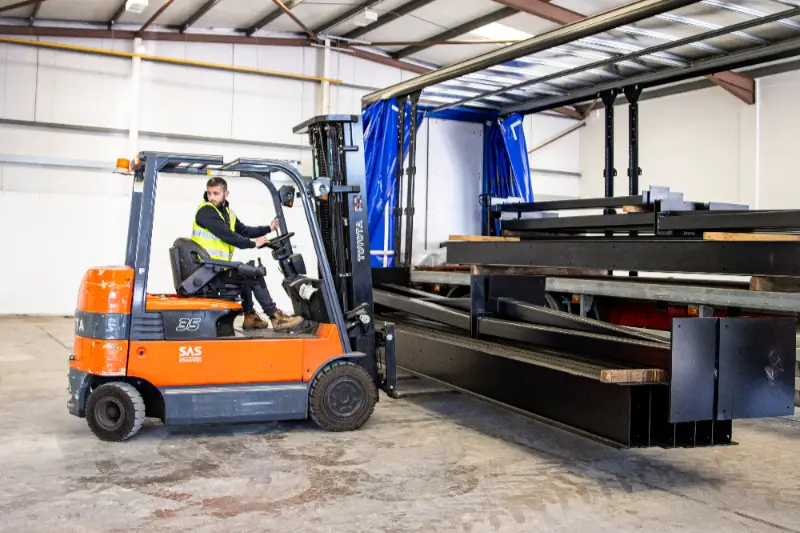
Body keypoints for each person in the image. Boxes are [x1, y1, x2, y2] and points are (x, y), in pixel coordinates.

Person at [191, 176, 304, 331]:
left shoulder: (228, 213)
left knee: (247, 269)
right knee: (253, 274)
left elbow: (243, 230)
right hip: (208, 274)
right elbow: (228, 235)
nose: (211, 197)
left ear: (226, 193)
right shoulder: (206, 211)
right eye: (209, 193)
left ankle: (250, 317)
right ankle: (276, 317)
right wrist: (253, 243)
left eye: (216, 193)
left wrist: (268, 229)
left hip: (216, 270)